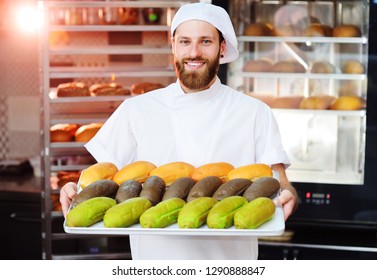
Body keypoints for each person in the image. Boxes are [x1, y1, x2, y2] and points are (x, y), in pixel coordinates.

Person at [60, 2, 298, 260]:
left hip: (230, 264)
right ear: (173, 46)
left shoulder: (254, 112)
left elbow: (279, 181)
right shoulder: (136, 109)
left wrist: (288, 195)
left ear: (222, 48)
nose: (194, 52)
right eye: (185, 42)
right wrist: (75, 189)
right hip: (156, 264)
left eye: (205, 41)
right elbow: (102, 178)